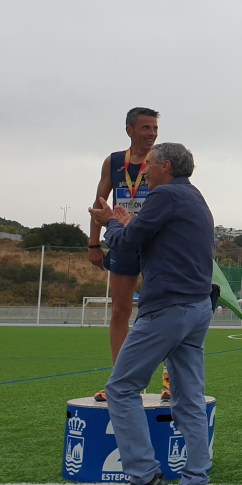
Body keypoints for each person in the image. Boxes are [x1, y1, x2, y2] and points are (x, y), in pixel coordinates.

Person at [88, 143, 216, 485]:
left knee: (121, 389)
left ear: (165, 166)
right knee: (189, 397)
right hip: (197, 307)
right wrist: (126, 225)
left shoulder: (164, 197)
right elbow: (158, 241)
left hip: (167, 308)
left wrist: (110, 222)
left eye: (149, 165)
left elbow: (127, 244)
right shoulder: (194, 199)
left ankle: (144, 478)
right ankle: (195, 484)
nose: (143, 171)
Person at [88, 107, 172, 403]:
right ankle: (119, 381)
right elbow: (100, 203)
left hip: (154, 243)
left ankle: (169, 381)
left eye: (154, 129)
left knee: (164, 311)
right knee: (121, 311)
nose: (151, 134)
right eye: (146, 128)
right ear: (130, 130)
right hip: (123, 241)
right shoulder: (113, 162)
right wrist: (93, 244)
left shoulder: (161, 160)